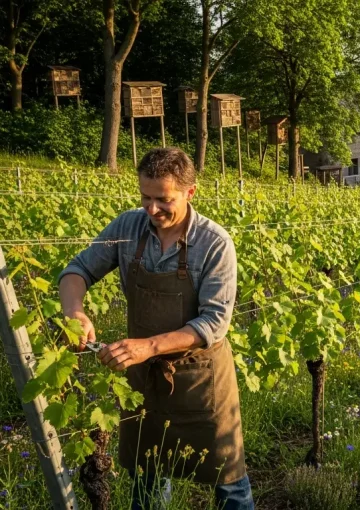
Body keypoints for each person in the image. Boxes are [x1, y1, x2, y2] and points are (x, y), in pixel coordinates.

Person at [58, 147, 253, 510]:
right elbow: (77, 271)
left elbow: (214, 321)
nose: (151, 209)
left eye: (163, 199)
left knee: (228, 478)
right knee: (147, 475)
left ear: (190, 192)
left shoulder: (214, 243)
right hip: (144, 380)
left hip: (201, 380)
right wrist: (75, 312)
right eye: (145, 197)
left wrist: (148, 346)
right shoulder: (127, 226)